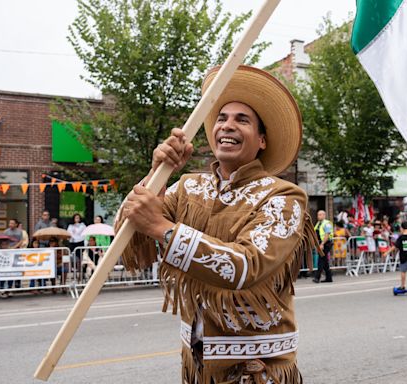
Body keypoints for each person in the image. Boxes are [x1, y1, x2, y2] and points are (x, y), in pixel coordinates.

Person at [116, 65, 318, 383]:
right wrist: (157, 175)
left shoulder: (284, 196)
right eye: (222, 118)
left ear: (262, 140)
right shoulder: (187, 186)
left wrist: (162, 229)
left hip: (255, 369)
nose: (227, 126)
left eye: (242, 120)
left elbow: (244, 266)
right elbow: (128, 241)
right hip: (197, 364)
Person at [385, 222, 407, 290]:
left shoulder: (401, 237)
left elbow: (395, 246)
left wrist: (387, 252)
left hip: (403, 256)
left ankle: (402, 286)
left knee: (403, 271)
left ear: (402, 228)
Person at [313, 210, 333, 283]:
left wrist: (322, 244)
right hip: (320, 244)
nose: (319, 216)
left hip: (326, 243)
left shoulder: (327, 223)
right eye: (318, 215)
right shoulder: (318, 224)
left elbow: (327, 234)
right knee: (324, 261)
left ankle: (317, 277)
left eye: (320, 215)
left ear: (324, 215)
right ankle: (329, 277)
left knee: (320, 260)